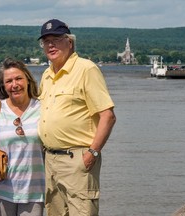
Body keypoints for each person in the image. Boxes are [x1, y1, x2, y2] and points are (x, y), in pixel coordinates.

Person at [37, 19, 117, 216]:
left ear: (70, 42)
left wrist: (93, 153)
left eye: (56, 39)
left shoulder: (86, 69)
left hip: (77, 159)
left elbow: (108, 115)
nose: (50, 45)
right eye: (46, 41)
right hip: (50, 161)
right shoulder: (47, 75)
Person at [0, 58, 45, 216]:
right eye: (9, 81)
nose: (15, 85)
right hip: (1, 188)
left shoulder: (42, 108)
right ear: (4, 85)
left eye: (19, 78)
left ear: (27, 79)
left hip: (34, 189)